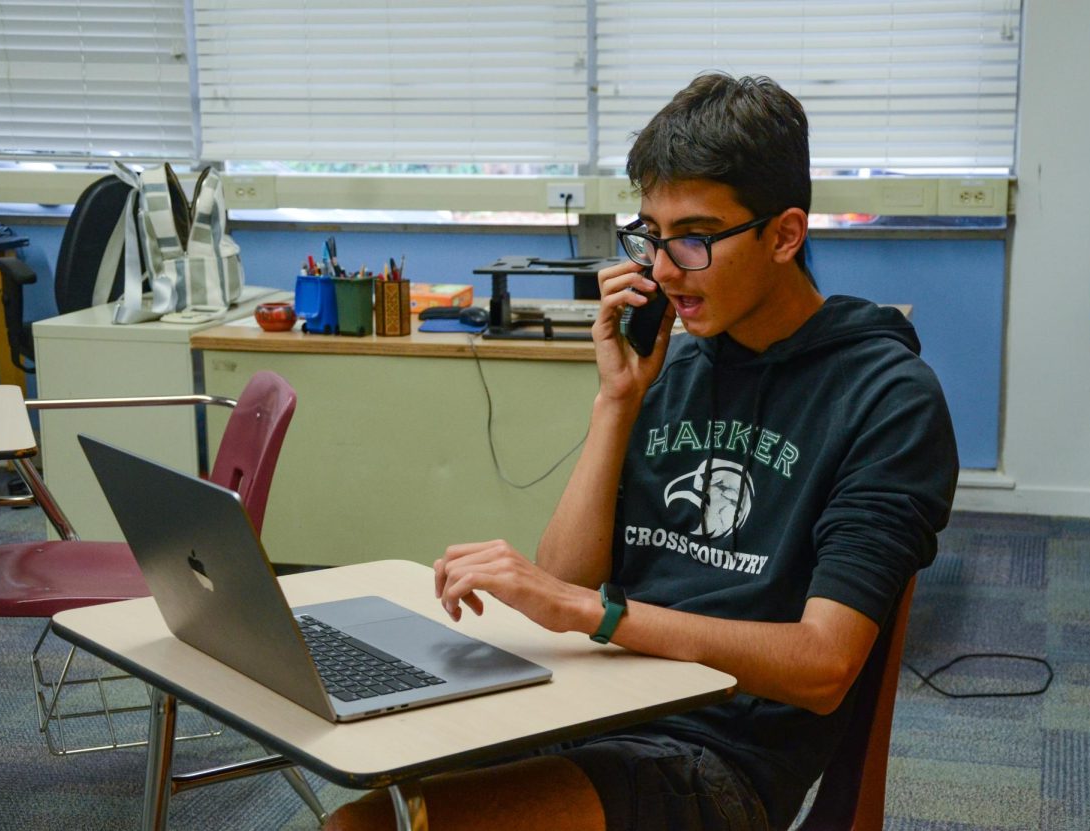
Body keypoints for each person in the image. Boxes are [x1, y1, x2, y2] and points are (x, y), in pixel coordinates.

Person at [325, 72, 959, 831]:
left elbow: (824, 666)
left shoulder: (887, 398)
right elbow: (564, 580)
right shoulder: (676, 367)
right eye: (651, 236)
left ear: (785, 235)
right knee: (365, 800)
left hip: (714, 758)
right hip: (588, 701)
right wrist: (616, 402)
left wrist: (600, 614)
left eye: (693, 238)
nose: (659, 270)